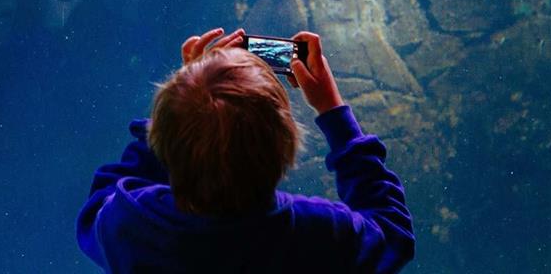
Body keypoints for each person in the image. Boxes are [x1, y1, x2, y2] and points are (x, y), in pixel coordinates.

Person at [77, 28, 415, 273]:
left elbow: (100, 200)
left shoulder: (131, 224)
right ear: (286, 147)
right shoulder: (317, 232)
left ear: (162, 141)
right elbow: (391, 233)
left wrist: (187, 93)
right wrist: (332, 110)